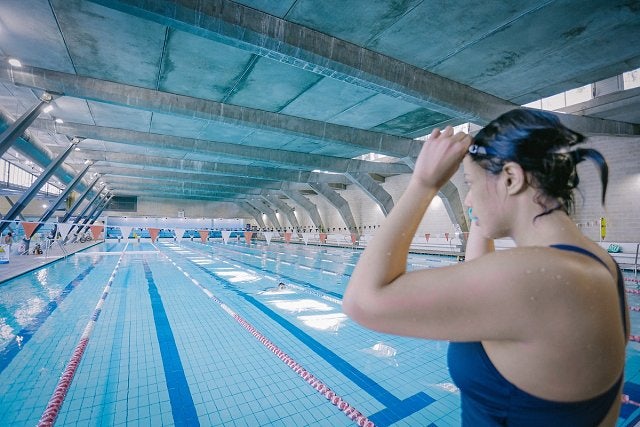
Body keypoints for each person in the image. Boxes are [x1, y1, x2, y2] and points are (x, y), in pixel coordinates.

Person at [343, 108, 628, 426]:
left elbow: (362, 302)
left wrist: (423, 184)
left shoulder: (540, 279)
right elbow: (483, 283)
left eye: (469, 184)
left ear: (511, 178)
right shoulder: (600, 265)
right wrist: (485, 214)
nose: (467, 201)